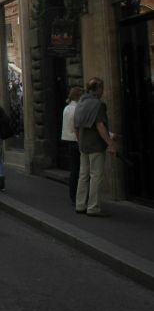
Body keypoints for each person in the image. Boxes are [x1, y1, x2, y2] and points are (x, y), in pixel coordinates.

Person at [74, 78, 117, 217]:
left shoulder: (81, 103)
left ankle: (80, 204)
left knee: (83, 175)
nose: (102, 91)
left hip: (83, 144)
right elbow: (100, 125)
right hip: (95, 145)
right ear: (98, 89)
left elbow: (76, 126)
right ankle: (93, 207)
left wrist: (79, 140)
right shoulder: (98, 104)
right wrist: (110, 143)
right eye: (102, 88)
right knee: (96, 176)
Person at [61, 86, 83, 205]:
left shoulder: (67, 108)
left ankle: (73, 195)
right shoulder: (77, 109)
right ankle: (77, 196)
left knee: (74, 170)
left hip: (69, 141)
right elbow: (78, 127)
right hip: (77, 141)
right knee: (79, 171)